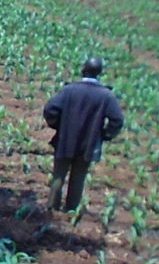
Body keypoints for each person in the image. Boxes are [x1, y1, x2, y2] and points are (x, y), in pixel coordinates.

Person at [43, 57, 125, 211]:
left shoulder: (69, 90)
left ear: (83, 70)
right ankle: (71, 211)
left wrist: (57, 125)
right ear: (99, 73)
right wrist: (105, 134)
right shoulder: (106, 95)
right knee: (78, 178)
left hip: (65, 139)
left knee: (59, 175)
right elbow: (117, 120)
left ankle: (51, 208)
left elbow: (50, 109)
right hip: (89, 142)